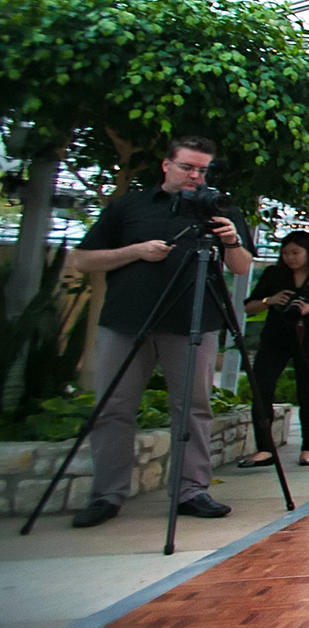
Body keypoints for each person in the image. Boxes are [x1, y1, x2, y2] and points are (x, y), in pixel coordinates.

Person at [67, 135, 255, 527]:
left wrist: (231, 239)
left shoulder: (219, 207)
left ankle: (191, 490)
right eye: (188, 167)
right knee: (113, 408)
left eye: (203, 169)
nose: (195, 176)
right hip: (127, 321)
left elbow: (240, 266)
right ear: (166, 165)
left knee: (194, 408)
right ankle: (107, 494)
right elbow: (82, 259)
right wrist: (135, 251)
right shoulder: (129, 207)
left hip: (194, 322)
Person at [237, 230, 309, 469]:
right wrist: (269, 301)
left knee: (307, 392)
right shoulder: (274, 274)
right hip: (275, 337)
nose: (290, 258)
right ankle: (264, 448)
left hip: (308, 338)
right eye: (285, 253)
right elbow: (250, 307)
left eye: (296, 252)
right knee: (262, 387)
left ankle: (307, 448)